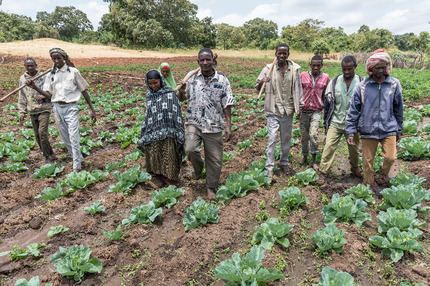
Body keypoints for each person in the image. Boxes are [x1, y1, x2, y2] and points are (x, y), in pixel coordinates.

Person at [26, 48, 97, 172]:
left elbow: (83, 90)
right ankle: (79, 158)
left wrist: (92, 109)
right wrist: (35, 87)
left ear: (64, 58)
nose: (56, 61)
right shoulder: (50, 75)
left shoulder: (73, 72)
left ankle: (76, 167)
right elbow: (49, 95)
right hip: (57, 107)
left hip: (71, 107)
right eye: (54, 59)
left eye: (59, 58)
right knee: (65, 137)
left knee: (74, 136)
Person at [177, 48, 235, 199]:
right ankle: (198, 168)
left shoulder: (222, 80)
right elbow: (182, 98)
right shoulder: (191, 78)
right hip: (194, 122)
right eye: (202, 60)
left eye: (208, 59)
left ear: (213, 61)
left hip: (214, 124)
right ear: (198, 62)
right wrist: (181, 90)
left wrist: (228, 124)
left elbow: (227, 103)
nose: (205, 63)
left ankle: (211, 186)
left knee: (215, 159)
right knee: (190, 149)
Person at [346, 49, 403, 188]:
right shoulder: (362, 87)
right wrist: (350, 130)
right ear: (371, 68)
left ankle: (383, 174)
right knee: (367, 161)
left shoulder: (394, 84)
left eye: (383, 67)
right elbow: (353, 110)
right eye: (378, 67)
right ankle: (368, 185)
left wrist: (398, 128)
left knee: (391, 157)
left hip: (388, 127)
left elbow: (398, 108)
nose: (381, 70)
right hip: (367, 129)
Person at [255, 43, 304, 178]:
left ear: (288, 54)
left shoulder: (294, 69)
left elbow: (298, 88)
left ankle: (284, 162)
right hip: (273, 109)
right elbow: (257, 88)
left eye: (284, 53)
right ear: (275, 54)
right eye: (279, 53)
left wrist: (299, 106)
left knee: (286, 138)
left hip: (288, 110)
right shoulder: (268, 69)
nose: (281, 55)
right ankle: (269, 167)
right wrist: (261, 82)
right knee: (272, 138)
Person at [137, 69, 185, 186]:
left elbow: (176, 111)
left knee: (169, 154)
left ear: (161, 81)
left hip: (169, 131)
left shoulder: (169, 93)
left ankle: (171, 178)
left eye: (155, 83)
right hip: (153, 130)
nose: (153, 86)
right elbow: (149, 114)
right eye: (150, 83)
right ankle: (158, 173)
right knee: (155, 153)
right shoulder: (149, 96)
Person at [319, 56, 363, 176]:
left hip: (353, 124)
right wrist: (326, 124)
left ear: (355, 66)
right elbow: (327, 105)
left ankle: (355, 168)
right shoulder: (334, 82)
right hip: (336, 122)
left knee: (354, 149)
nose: (347, 72)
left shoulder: (362, 82)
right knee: (328, 147)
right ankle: (323, 171)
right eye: (344, 69)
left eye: (349, 69)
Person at [18, 57, 56, 163]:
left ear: (36, 65)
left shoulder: (44, 76)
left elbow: (51, 91)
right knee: (37, 135)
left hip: (44, 108)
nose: (30, 68)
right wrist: (22, 111)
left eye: (32, 65)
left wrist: (43, 97)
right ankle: (51, 153)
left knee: (42, 133)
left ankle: (46, 156)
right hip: (32, 109)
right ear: (25, 66)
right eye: (27, 66)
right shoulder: (22, 79)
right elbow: (22, 96)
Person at [299, 55, 330, 170]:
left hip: (316, 110)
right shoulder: (303, 75)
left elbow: (326, 94)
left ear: (322, 66)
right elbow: (298, 92)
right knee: (304, 136)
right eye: (314, 65)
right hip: (304, 110)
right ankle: (305, 156)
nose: (316, 68)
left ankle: (313, 160)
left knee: (313, 135)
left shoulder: (325, 77)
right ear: (310, 65)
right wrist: (298, 108)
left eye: (318, 65)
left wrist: (323, 107)